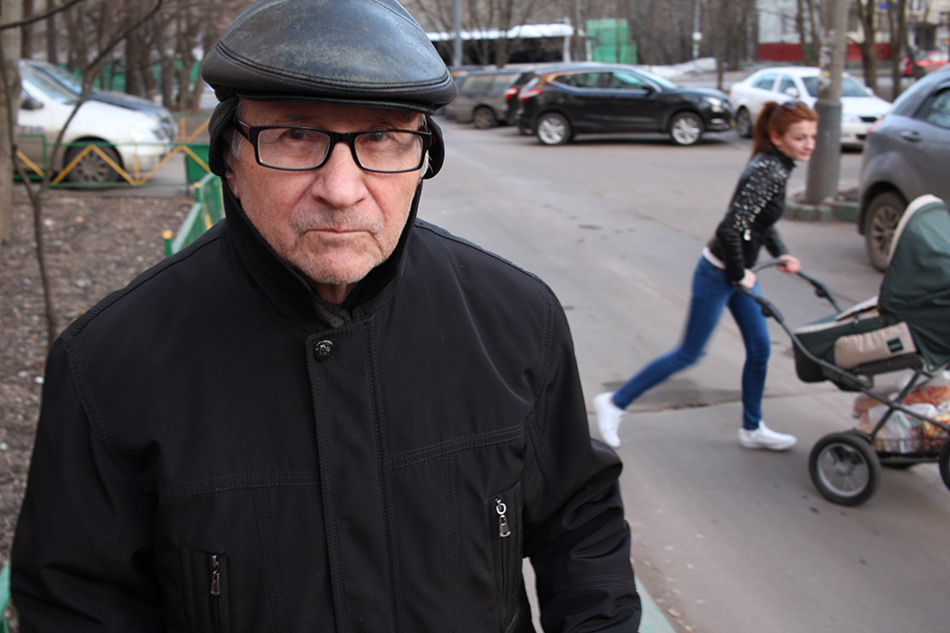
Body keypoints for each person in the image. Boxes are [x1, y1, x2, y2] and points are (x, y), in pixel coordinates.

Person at [10, 1, 640, 631]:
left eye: (382, 138)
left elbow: (580, 523)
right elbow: (77, 608)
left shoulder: (515, 320)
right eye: (297, 135)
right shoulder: (110, 365)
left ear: (423, 159)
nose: (341, 190)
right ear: (229, 158)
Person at [594, 101, 818, 451]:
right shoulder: (769, 171)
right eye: (800, 137)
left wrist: (781, 253)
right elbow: (729, 228)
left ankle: (752, 428)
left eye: (812, 137)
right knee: (689, 353)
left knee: (760, 349)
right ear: (777, 137)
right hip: (718, 273)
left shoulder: (777, 166)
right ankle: (614, 402)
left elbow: (759, 222)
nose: (809, 144)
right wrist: (738, 273)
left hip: (738, 272)